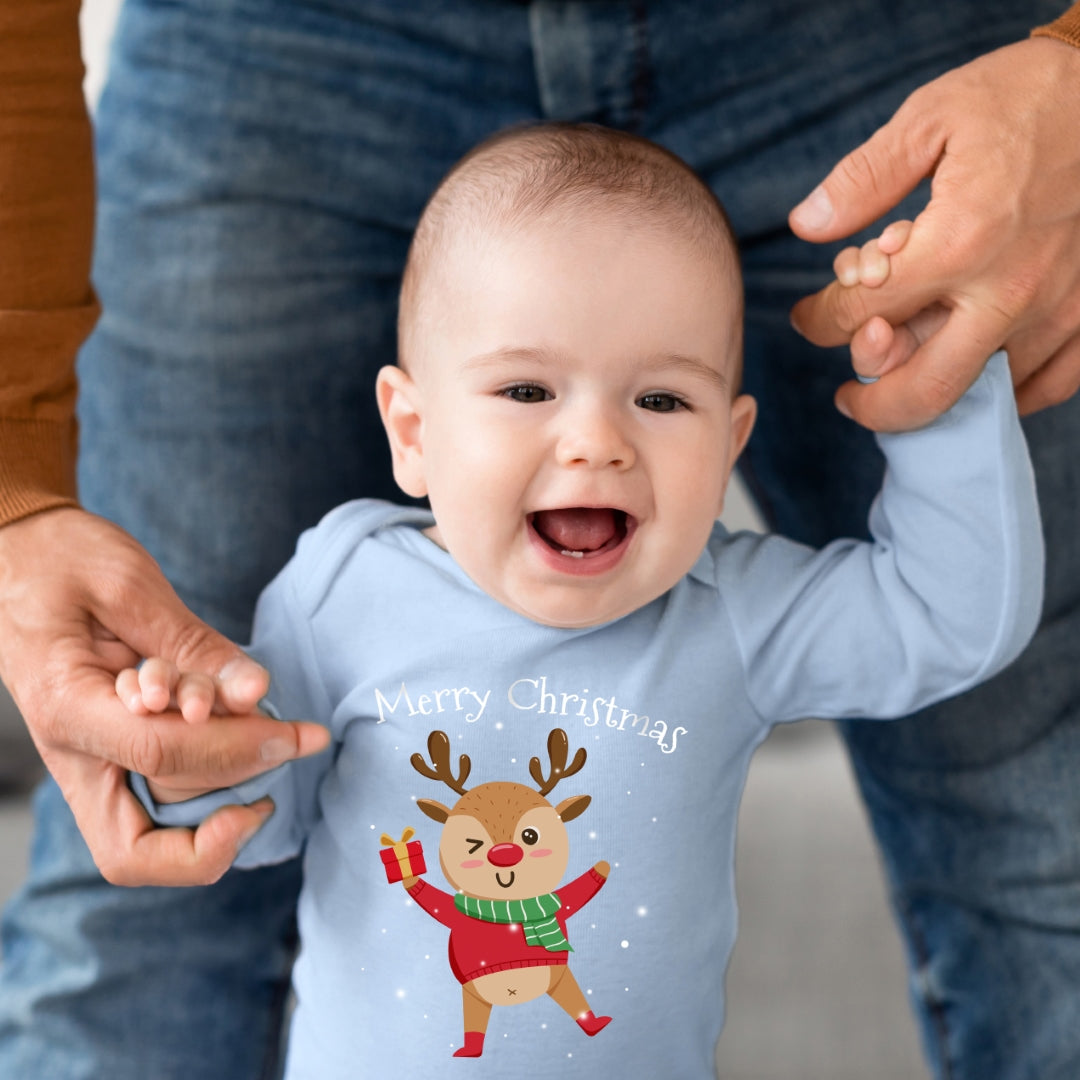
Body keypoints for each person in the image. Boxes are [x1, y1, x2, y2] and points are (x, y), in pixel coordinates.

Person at [0, 1, 1078, 1078]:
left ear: (730, 436)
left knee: (1043, 857)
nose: (598, 442)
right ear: (412, 433)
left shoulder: (736, 613)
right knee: (123, 942)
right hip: (281, 35)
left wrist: (942, 401)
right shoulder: (340, 590)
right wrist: (177, 742)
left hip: (867, 43)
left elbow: (948, 620)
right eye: (526, 389)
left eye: (662, 401)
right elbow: (255, 816)